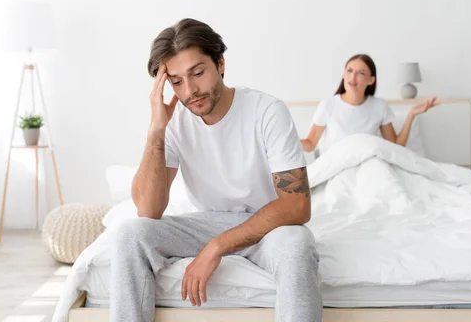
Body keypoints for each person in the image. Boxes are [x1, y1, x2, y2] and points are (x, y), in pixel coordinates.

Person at [110, 18, 323, 322]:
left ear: (220, 64)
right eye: (177, 81)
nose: (190, 90)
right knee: (130, 233)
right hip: (207, 222)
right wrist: (156, 130)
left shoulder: (267, 111)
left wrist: (217, 246)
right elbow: (148, 208)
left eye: (198, 73)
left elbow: (297, 205)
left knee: (297, 244)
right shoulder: (172, 122)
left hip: (269, 227)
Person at [301, 54, 437, 153]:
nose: (352, 77)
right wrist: (284, 140)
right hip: (337, 166)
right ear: (343, 74)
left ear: (371, 80)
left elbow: (395, 145)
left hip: (369, 165)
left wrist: (411, 115)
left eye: (360, 73)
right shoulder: (328, 105)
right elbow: (310, 144)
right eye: (349, 71)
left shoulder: (379, 106)